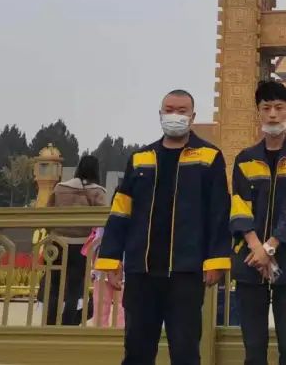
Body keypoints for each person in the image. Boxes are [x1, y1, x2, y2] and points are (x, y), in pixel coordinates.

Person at [96, 89, 232, 365]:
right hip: (141, 271)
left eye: (182, 111)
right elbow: (120, 211)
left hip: (186, 271)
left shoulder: (209, 157)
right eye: (169, 110)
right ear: (160, 114)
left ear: (192, 116)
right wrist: (111, 259)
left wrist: (216, 260)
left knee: (185, 350)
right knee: (137, 350)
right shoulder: (141, 158)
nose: (175, 115)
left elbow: (219, 212)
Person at [230, 80, 286, 365]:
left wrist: (271, 247)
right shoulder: (245, 159)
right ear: (258, 112)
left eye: (279, 107)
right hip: (250, 262)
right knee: (253, 348)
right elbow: (239, 205)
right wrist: (257, 247)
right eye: (266, 108)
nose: (273, 114)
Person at [45, 154, 108, 325]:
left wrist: (51, 234)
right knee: (74, 288)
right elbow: (102, 220)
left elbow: (47, 213)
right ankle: (68, 324)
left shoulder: (60, 188)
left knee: (55, 286)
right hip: (81, 245)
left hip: (57, 243)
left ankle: (50, 324)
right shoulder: (98, 192)